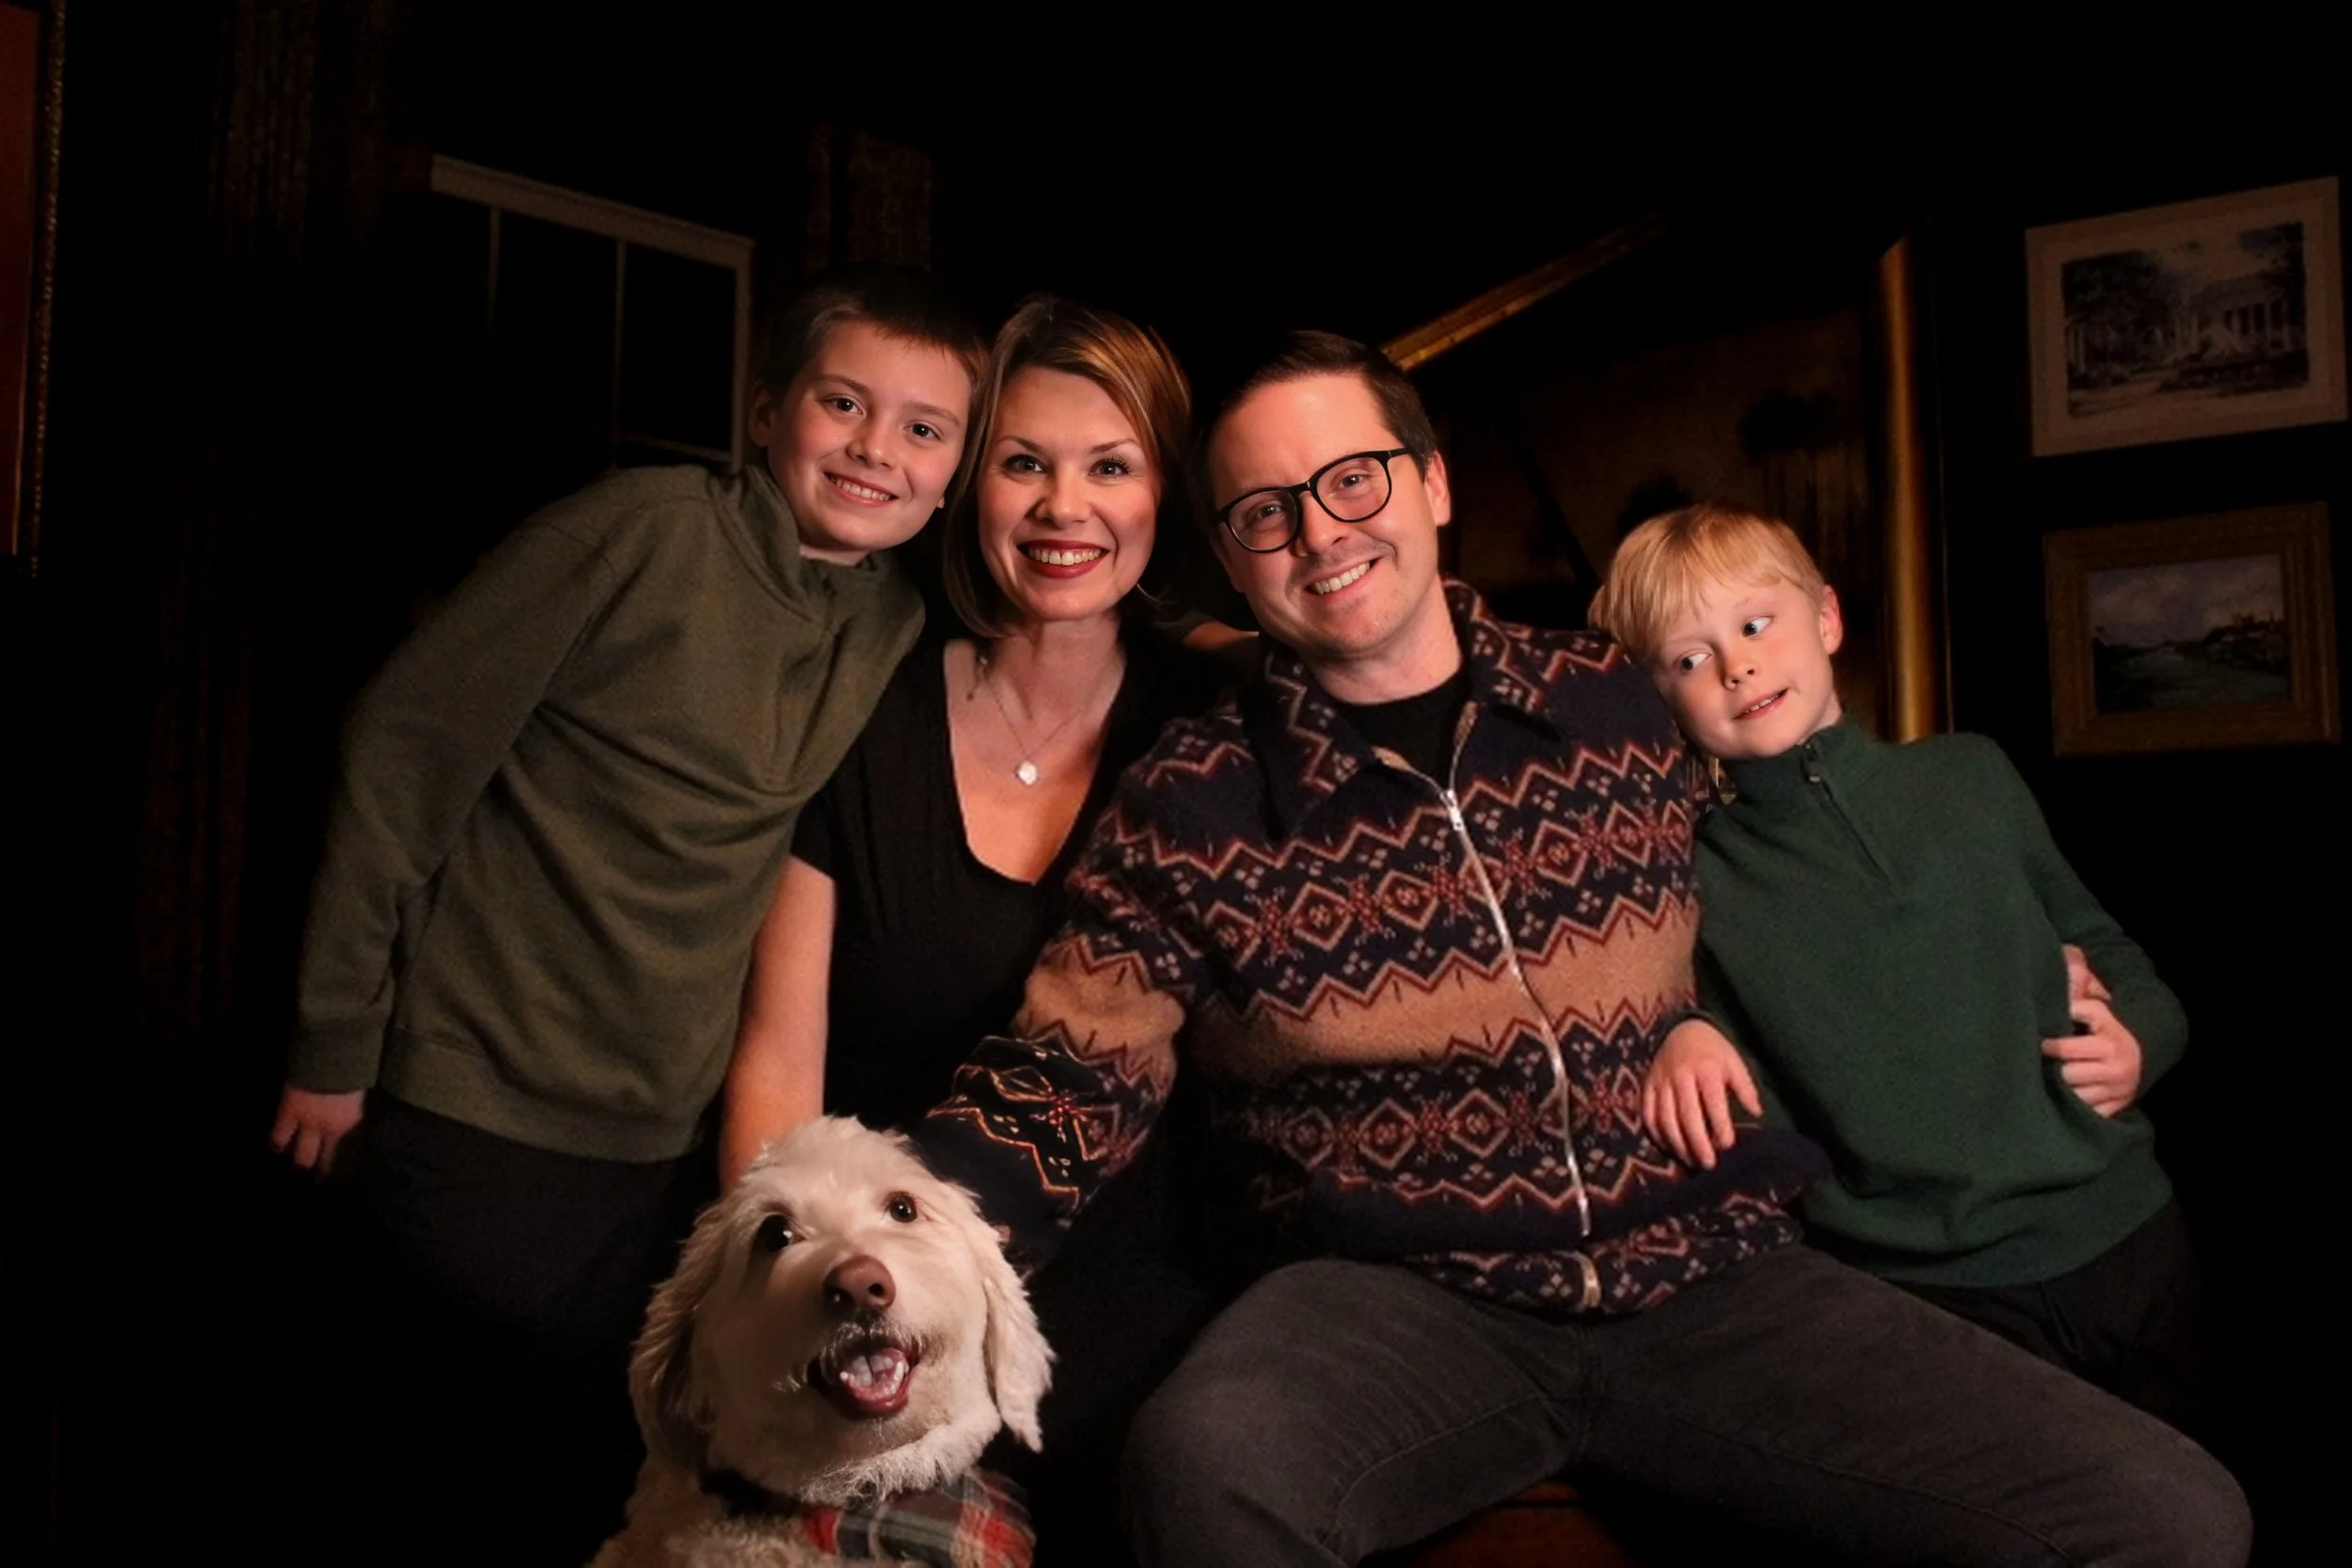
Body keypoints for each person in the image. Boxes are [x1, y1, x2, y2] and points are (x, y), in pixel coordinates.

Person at [913, 331, 2250, 1566]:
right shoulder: (1190, 799)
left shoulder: (1615, 700)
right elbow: (1065, 1072)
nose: (1321, 531)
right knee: (1209, 1456)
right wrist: (879, 1242)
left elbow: (1819, 842)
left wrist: (2017, 965)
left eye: (1353, 478)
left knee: (2172, 1513)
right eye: (1267, 510)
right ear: (1232, 550)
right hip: (1397, 1301)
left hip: (1717, 1276)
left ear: (1434, 483)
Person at [267, 264, 985, 1564]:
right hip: (473, 1093)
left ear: (953, 474)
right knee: (430, 1468)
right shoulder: (638, 533)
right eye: (843, 403)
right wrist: (331, 1042)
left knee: (607, 1487)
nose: (878, 448)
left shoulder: (886, 620)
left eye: (924, 429)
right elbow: (399, 748)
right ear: (767, 409)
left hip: (656, 1149)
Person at [722, 295, 1226, 1564]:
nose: (1067, 507)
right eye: (1024, 462)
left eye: (1111, 465)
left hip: (1174, 1339)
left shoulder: (1225, 713)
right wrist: (789, 1337)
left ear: (1162, 491)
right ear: (965, 479)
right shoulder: (865, 702)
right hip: (894, 1332)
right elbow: (780, 1067)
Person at [1588, 500, 2209, 1434]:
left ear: (1827, 619)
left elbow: (2109, 948)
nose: (1737, 664)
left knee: (2204, 1511)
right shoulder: (1687, 878)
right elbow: (1674, 1037)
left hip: (2125, 1232)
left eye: (1756, 623)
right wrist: (1680, 1029)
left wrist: (2143, 1040)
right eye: (1688, 656)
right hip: (1931, 1294)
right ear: (1659, 699)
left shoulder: (1969, 777)